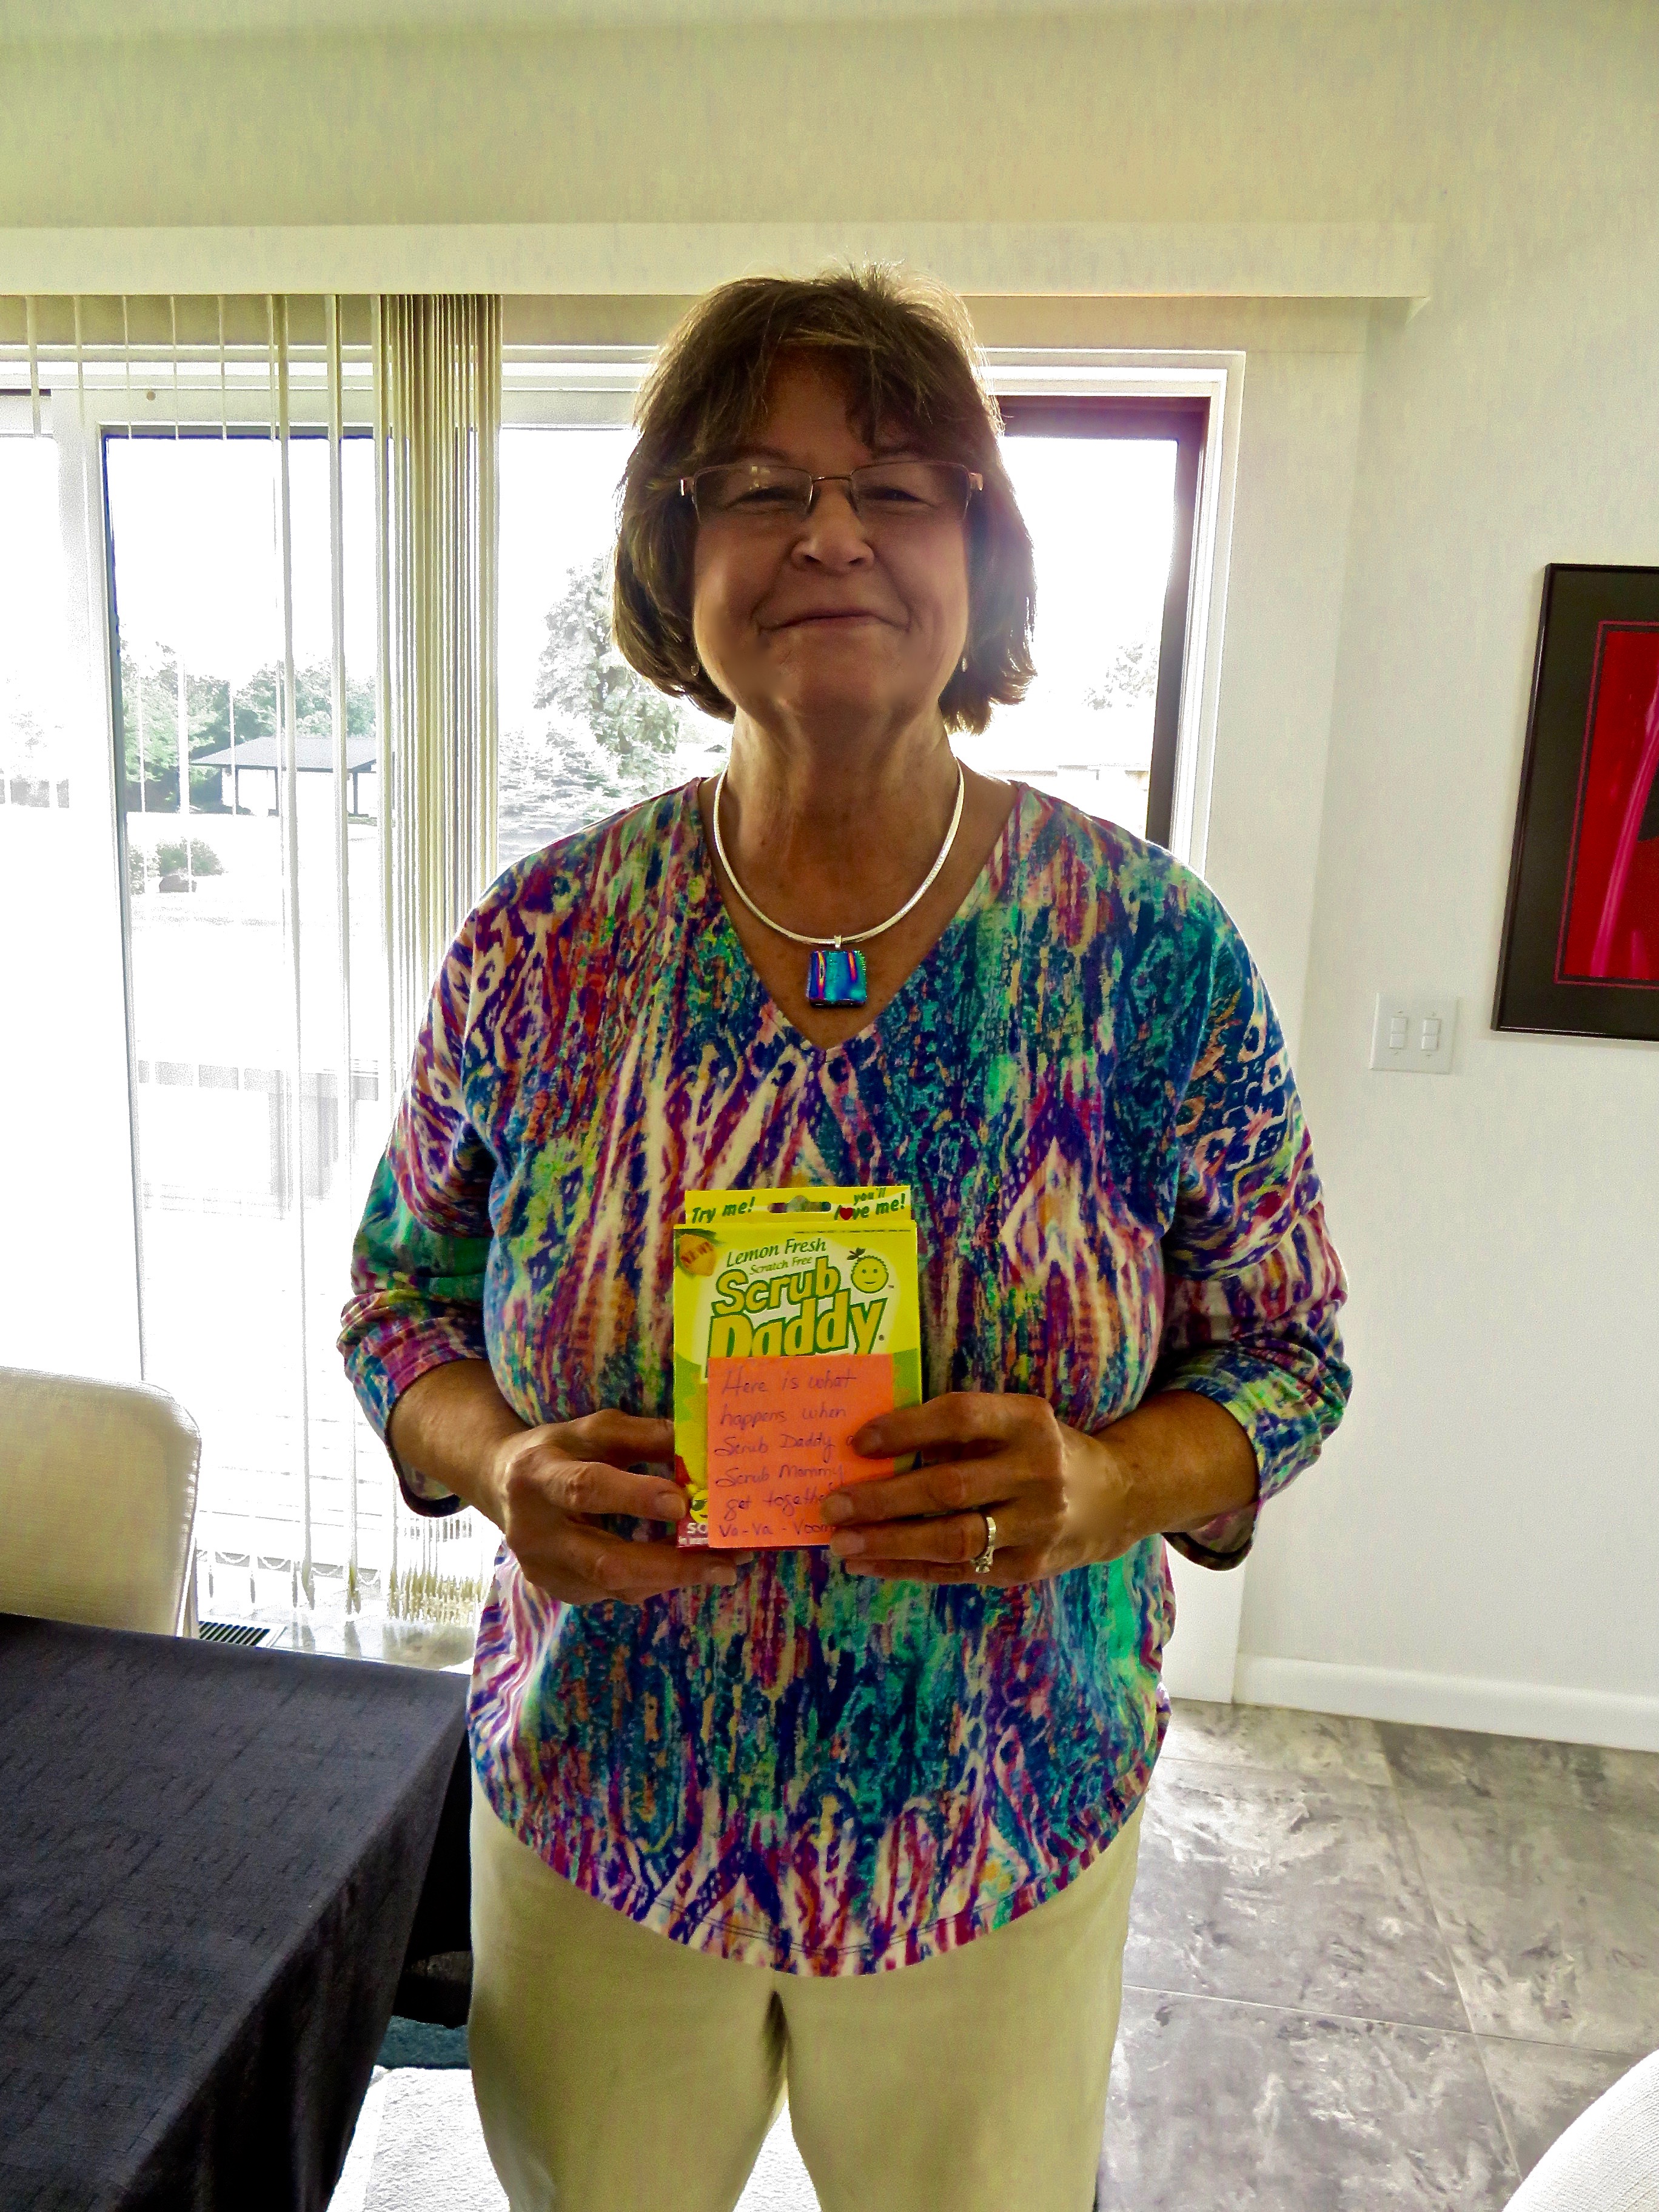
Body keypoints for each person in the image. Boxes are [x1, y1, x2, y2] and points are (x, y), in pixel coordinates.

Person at [339, 266, 1350, 2212]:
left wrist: (1110, 1482)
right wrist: (502, 1463)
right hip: (608, 1809)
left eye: (896, 487)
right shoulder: (544, 947)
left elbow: (1291, 1356)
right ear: (675, 557)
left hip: (997, 1829)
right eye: (756, 486)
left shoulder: (1145, 952)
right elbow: (399, 1300)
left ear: (983, 553)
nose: (829, 535)